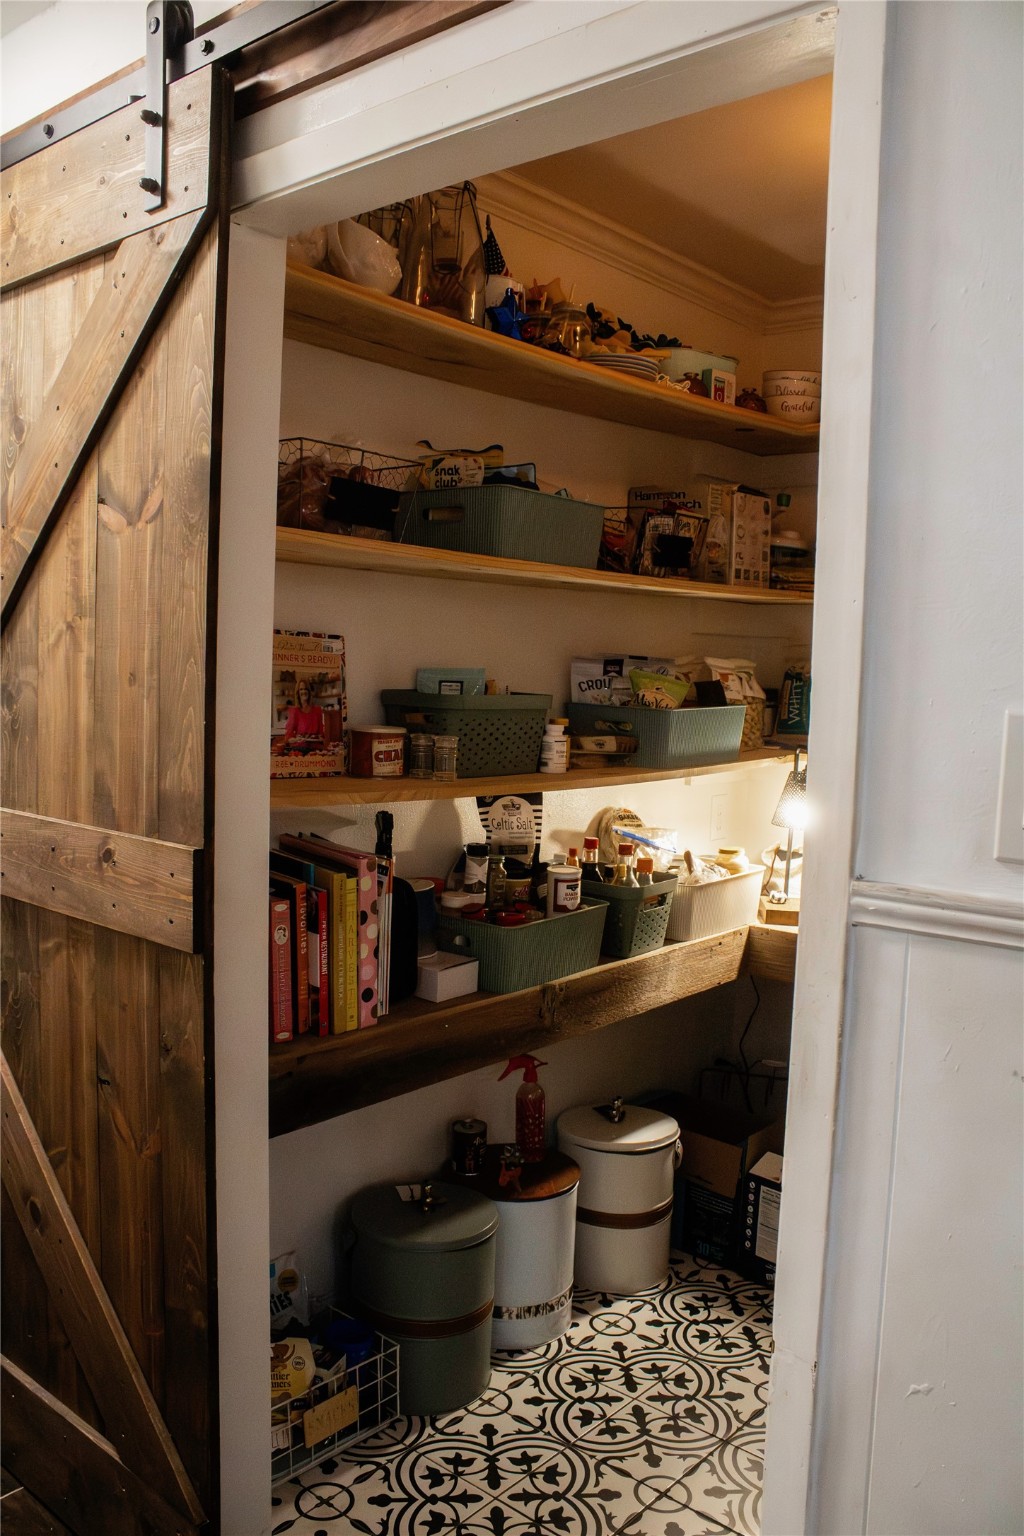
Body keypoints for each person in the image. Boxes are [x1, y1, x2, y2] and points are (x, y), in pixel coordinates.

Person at [280, 679, 324, 748]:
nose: (304, 691)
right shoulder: (294, 711)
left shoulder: (317, 710)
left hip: (315, 749)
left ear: (309, 692)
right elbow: (288, 738)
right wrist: (296, 739)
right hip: (300, 748)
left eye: (306, 689)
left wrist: (320, 738)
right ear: (298, 693)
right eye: (301, 689)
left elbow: (321, 735)